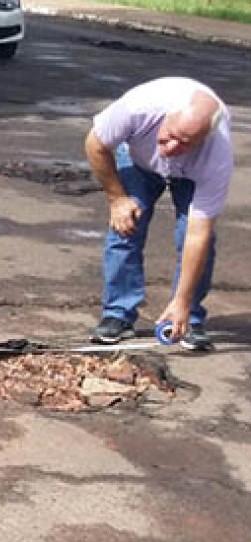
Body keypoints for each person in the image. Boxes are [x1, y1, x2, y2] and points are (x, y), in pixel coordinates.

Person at [85, 76, 233, 350]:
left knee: (194, 237)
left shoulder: (215, 155)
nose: (173, 148)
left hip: (191, 174)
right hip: (138, 160)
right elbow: (96, 145)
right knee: (126, 225)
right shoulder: (137, 108)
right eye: (170, 136)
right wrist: (117, 199)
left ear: (204, 138)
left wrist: (182, 301)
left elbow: (197, 235)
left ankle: (188, 316)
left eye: (186, 142)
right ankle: (117, 314)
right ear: (166, 116)